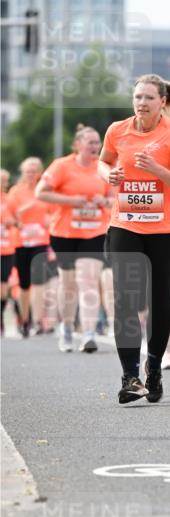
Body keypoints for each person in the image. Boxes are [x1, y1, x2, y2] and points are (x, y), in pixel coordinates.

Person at [98, 74, 170, 404]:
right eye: (137, 96)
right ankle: (130, 376)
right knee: (125, 300)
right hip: (125, 226)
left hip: (164, 231)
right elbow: (103, 162)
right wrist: (107, 175)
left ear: (162, 103)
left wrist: (158, 170)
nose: (141, 102)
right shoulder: (117, 131)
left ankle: (154, 368)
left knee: (159, 304)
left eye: (149, 98)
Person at [36, 126, 112, 353]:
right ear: (77, 144)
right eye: (89, 142)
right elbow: (41, 192)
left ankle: (88, 332)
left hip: (95, 230)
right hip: (64, 232)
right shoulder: (62, 166)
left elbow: (115, 197)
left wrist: (104, 201)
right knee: (68, 283)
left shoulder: (103, 167)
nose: (94, 146)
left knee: (88, 279)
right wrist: (72, 201)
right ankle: (67, 326)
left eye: (97, 142)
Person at [6, 158, 52, 337]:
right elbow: (9, 217)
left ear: (40, 172)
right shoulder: (15, 192)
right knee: (24, 284)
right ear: (22, 172)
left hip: (41, 241)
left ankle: (38, 320)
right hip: (21, 241)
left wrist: (48, 221)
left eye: (34, 171)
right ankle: (24, 319)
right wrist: (26, 209)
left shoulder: (45, 190)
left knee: (39, 279)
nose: (31, 174)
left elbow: (52, 213)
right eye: (28, 171)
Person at [1, 169, 16, 335]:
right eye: (2, 180)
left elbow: (18, 221)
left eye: (5, 180)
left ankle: (1, 319)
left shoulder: (9, 200)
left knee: (4, 288)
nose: (4, 184)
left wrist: (12, 222)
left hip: (6, 248)